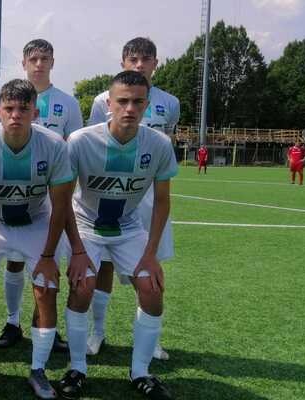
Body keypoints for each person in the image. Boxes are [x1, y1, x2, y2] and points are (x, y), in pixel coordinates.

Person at [0, 79, 93, 397]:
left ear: (36, 113)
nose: (16, 115)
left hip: (37, 221)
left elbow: (61, 205)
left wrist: (48, 257)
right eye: (9, 108)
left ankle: (38, 370)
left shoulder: (53, 145)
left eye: (23, 109)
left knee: (46, 289)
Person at [69, 71, 177, 399]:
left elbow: (162, 201)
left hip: (128, 228)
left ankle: (140, 371)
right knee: (83, 286)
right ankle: (77, 368)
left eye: (137, 102)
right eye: (123, 101)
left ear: (146, 105)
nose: (130, 108)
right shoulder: (81, 141)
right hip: (86, 225)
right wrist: (77, 251)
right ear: (109, 104)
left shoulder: (159, 144)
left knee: (152, 288)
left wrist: (151, 254)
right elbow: (61, 200)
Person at [86, 37, 179, 360]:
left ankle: (152, 339)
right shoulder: (101, 100)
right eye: (133, 59)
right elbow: (96, 143)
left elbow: (164, 145)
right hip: (110, 193)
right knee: (103, 265)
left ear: (155, 63)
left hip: (147, 195)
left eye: (146, 59)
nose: (139, 65)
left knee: (150, 266)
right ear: (123, 63)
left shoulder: (170, 102)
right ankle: (98, 332)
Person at [0, 39, 84, 352]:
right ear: (23, 63)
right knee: (14, 262)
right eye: (33, 59)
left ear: (52, 62)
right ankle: (12, 322)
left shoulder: (67, 103)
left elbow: (74, 148)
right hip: (14, 189)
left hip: (50, 193)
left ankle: (44, 324)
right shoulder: (8, 97)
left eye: (45, 58)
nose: (39, 64)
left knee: (48, 261)